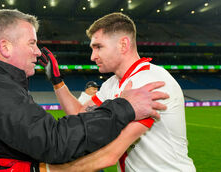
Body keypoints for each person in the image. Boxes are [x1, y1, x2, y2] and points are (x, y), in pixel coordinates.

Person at [0, 9, 168, 172]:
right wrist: (126, 106)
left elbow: (78, 119)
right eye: (32, 43)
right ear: (5, 47)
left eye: (98, 47)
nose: (38, 52)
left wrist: (58, 83)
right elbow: (56, 142)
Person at [34, 12, 196, 171]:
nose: (92, 56)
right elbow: (78, 114)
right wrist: (57, 82)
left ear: (123, 44)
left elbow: (110, 153)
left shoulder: (150, 81)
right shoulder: (111, 84)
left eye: (98, 47)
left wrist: (49, 170)